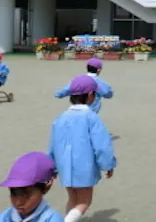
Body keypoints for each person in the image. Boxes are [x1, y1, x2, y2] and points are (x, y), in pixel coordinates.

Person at [49, 75, 116, 222]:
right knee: (84, 202)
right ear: (91, 95)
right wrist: (108, 164)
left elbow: (53, 144)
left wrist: (52, 168)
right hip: (83, 167)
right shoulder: (91, 117)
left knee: (72, 200)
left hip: (64, 166)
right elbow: (102, 146)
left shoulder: (61, 117)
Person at [0, 152, 63, 222]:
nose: (18, 202)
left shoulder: (51, 219)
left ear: (46, 187)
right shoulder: (6, 217)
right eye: (13, 193)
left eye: (25, 195)